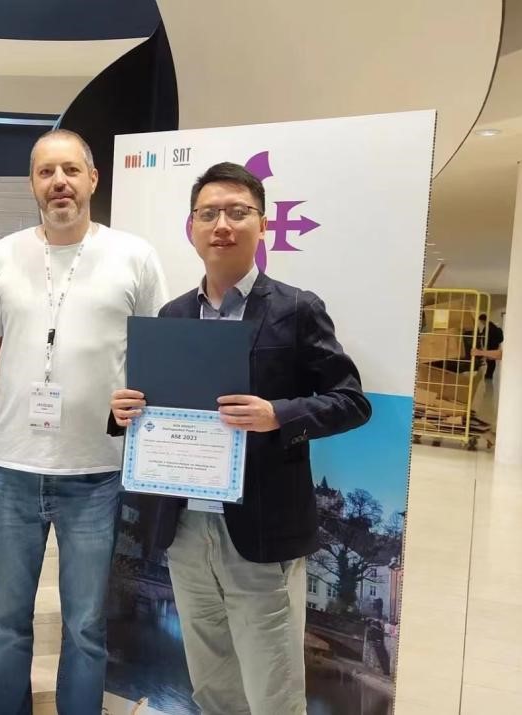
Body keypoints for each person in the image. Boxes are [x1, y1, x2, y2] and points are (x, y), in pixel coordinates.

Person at [109, 162, 371, 715]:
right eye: (208, 214)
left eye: (237, 212)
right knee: (212, 685)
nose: (222, 225)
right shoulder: (174, 314)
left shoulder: (296, 309)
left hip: (261, 529)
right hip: (184, 527)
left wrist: (278, 414)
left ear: (263, 225)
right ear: (192, 228)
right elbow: (158, 409)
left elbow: (352, 402)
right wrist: (125, 412)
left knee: (274, 690)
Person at [0, 128, 168, 714]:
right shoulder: (2, 256)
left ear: (93, 179)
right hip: (10, 470)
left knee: (85, 627)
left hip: (98, 475)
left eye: (71, 170)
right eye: (46, 172)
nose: (59, 182)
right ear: (32, 184)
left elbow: (156, 351)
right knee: (6, 625)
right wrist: (21, 396)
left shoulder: (134, 256)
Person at [477, 313, 504, 381]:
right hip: (493, 346)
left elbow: (488, 337)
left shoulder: (489, 327)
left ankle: (489, 375)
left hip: (490, 346)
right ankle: (489, 374)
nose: (481, 323)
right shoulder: (491, 326)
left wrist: (485, 347)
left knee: (490, 361)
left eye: (480, 321)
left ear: (482, 320)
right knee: (491, 361)